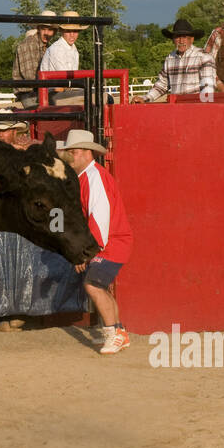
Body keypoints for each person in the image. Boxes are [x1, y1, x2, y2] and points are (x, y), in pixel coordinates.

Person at [58, 130, 134, 354]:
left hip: (111, 242)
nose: (70, 157)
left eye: (73, 152)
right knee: (99, 285)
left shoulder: (93, 177)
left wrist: (85, 253)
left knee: (93, 285)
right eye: (69, 152)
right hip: (112, 241)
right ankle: (118, 332)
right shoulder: (88, 176)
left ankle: (114, 332)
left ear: (85, 153)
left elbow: (99, 219)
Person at [136, 17, 214, 102]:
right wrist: (145, 98)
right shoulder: (170, 59)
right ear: (173, 40)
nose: (181, 41)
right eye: (177, 37)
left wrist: (204, 110)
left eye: (184, 37)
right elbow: (162, 85)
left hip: (196, 106)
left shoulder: (204, 57)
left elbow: (207, 87)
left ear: (191, 39)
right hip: (175, 108)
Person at [12, 10, 58, 108]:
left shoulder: (47, 47)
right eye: (44, 29)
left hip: (42, 90)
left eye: (50, 30)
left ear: (54, 32)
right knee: (45, 112)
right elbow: (30, 76)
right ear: (38, 28)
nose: (46, 33)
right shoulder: (28, 44)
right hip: (28, 92)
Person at [39, 12, 87, 105]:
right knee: (97, 98)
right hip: (52, 94)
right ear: (62, 31)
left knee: (97, 96)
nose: (72, 35)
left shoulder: (73, 49)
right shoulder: (57, 49)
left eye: (75, 31)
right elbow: (65, 80)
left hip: (63, 90)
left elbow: (71, 79)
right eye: (68, 31)